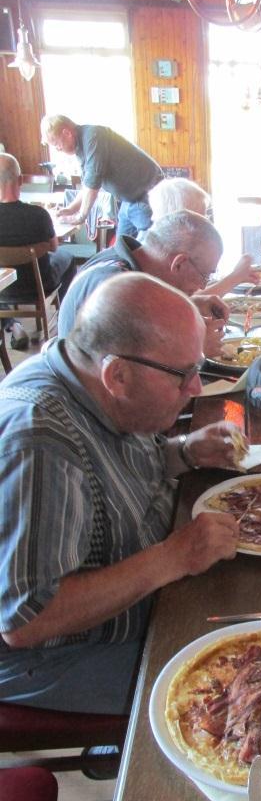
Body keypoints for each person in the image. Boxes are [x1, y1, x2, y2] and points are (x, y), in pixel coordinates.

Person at [0, 272, 242, 714]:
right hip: (54, 654)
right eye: (183, 375)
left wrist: (185, 451)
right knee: (235, 689)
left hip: (140, 580)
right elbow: (28, 620)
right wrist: (175, 557)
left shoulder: (91, 381)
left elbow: (115, 474)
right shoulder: (40, 440)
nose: (196, 389)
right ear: (119, 375)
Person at [57, 210, 230, 358]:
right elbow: (122, 374)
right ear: (178, 263)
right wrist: (195, 348)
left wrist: (189, 305)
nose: (202, 286)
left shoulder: (131, 263)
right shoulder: (118, 287)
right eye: (204, 275)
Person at [0, 153, 77, 350]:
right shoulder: (38, 215)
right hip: (39, 284)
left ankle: (13, 324)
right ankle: (66, 320)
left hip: (3, 287)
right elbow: (53, 247)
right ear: (20, 180)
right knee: (68, 257)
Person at [40, 115, 163, 238]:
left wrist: (81, 216)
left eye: (56, 144)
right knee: (122, 248)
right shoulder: (81, 146)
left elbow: (93, 181)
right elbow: (87, 186)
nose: (58, 149)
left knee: (151, 247)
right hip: (129, 198)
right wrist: (71, 209)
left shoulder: (93, 136)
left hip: (147, 194)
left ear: (67, 133)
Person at [146, 177, 258, 294]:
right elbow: (188, 301)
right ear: (181, 218)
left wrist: (234, 276)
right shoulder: (151, 265)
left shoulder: (156, 247)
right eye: (201, 217)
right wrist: (235, 277)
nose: (206, 223)